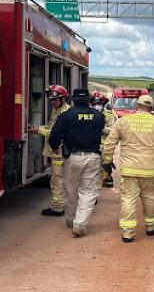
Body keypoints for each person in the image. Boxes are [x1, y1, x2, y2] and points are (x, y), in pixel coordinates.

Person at [102, 95, 154, 242]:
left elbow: (109, 144)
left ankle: (128, 233)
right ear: (152, 108)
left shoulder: (124, 121)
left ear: (136, 106)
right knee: (150, 198)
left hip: (129, 170)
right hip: (150, 170)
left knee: (128, 199)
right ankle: (151, 227)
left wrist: (107, 161)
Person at [49, 88, 106, 237]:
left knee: (70, 190)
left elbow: (55, 134)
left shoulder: (66, 116)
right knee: (88, 192)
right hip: (93, 157)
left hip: (72, 157)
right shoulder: (99, 116)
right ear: (89, 100)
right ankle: (80, 224)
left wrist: (54, 147)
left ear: (73, 100)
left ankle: (70, 220)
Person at [28, 85, 70, 216]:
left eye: (55, 100)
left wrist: (39, 131)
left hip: (59, 152)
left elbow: (57, 133)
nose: (52, 102)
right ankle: (59, 205)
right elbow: (49, 126)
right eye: (51, 99)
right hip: (55, 152)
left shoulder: (65, 113)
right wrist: (38, 127)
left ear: (63, 99)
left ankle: (57, 208)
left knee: (57, 180)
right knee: (57, 180)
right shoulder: (56, 111)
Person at [92, 91, 117, 188]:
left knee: (106, 163)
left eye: (98, 103)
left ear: (103, 103)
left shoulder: (110, 116)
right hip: (91, 144)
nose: (96, 106)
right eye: (94, 103)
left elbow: (114, 131)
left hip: (105, 145)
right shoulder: (88, 115)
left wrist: (102, 128)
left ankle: (108, 175)